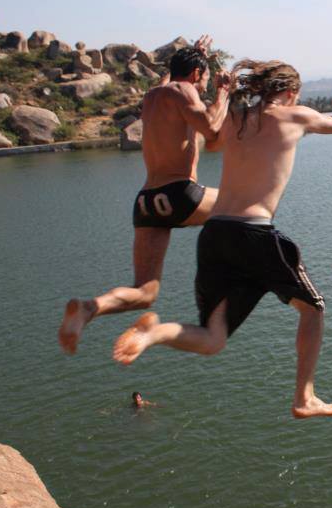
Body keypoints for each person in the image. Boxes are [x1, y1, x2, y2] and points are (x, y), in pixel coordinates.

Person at [112, 59, 332, 418]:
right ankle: (304, 397)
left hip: (215, 233)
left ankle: (153, 334)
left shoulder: (235, 117)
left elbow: (214, 140)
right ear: (289, 92)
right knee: (312, 309)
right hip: (255, 232)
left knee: (212, 338)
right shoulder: (294, 115)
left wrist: (225, 96)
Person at [58, 36, 231, 354]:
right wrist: (223, 92)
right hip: (180, 192)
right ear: (195, 75)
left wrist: (198, 57)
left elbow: (172, 78)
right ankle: (222, 299)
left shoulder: (154, 95)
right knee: (245, 204)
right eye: (203, 79)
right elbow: (211, 126)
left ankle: (88, 308)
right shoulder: (184, 90)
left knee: (145, 291)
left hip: (146, 202)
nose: (203, 87)